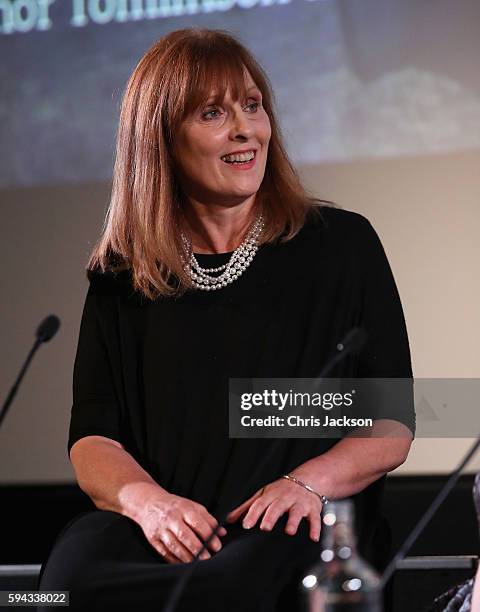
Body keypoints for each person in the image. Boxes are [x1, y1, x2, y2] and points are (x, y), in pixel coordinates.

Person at [37, 27, 415, 611]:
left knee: (226, 587)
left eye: (252, 105)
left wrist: (307, 482)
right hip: (164, 523)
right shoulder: (122, 273)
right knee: (63, 590)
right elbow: (93, 437)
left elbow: (391, 426)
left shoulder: (342, 245)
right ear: (160, 138)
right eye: (213, 112)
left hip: (292, 517)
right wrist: (148, 504)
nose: (246, 130)